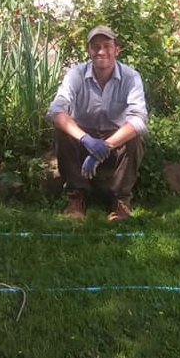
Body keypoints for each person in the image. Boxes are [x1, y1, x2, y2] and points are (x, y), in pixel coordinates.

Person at [46, 25, 148, 221]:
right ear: (88, 50)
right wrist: (86, 139)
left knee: (135, 139)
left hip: (115, 139)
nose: (101, 51)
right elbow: (56, 111)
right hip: (83, 139)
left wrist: (107, 145)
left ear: (117, 49)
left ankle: (120, 202)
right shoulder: (76, 74)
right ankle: (77, 197)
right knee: (62, 132)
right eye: (95, 46)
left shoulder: (130, 77)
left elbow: (138, 120)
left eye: (107, 46)